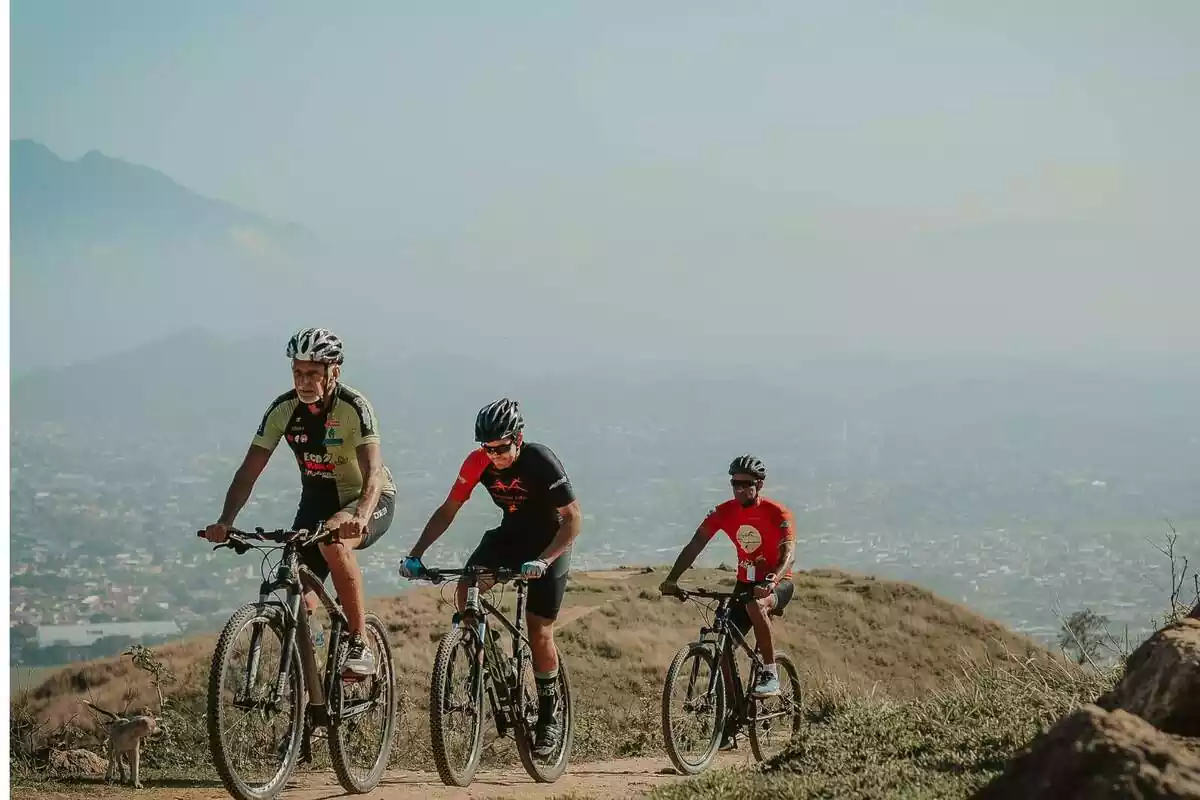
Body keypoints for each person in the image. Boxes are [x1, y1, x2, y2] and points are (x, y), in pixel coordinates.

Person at [202, 327, 397, 678]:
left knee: (334, 544)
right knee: (300, 597)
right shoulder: (283, 409)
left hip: (368, 497)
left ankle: (360, 642)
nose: (303, 381)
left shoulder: (354, 406)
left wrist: (362, 515)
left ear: (333, 371)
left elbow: (374, 471)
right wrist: (226, 519)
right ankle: (314, 675)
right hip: (317, 500)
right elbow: (248, 471)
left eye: (312, 373)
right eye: (297, 372)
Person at [400, 398, 582, 757]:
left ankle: (549, 716)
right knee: (467, 585)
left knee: (538, 628)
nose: (494, 455)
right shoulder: (478, 462)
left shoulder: (540, 461)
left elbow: (573, 519)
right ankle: (477, 643)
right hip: (511, 537)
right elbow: (448, 509)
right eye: (488, 448)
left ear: (519, 437)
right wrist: (416, 554)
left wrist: (545, 561)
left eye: (501, 447)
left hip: (550, 542)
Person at [659, 454, 796, 704]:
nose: (740, 490)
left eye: (747, 485)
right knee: (721, 646)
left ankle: (770, 671)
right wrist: (672, 579)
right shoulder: (724, 512)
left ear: (760, 485)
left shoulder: (777, 512)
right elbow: (696, 544)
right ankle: (730, 715)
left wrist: (772, 580)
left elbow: (789, 552)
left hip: (778, 582)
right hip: (744, 583)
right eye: (735, 484)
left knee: (756, 606)